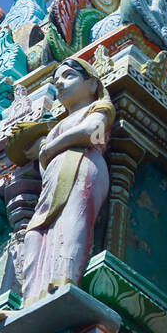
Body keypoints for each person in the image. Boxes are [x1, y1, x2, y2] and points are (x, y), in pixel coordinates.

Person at [18, 59, 115, 301]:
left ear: (92, 85)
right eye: (56, 80)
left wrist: (50, 149)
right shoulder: (55, 128)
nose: (60, 83)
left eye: (69, 76)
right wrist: (48, 152)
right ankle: (31, 298)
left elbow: (91, 132)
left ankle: (64, 281)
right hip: (52, 182)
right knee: (34, 235)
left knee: (73, 222)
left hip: (83, 165)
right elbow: (44, 165)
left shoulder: (99, 108)